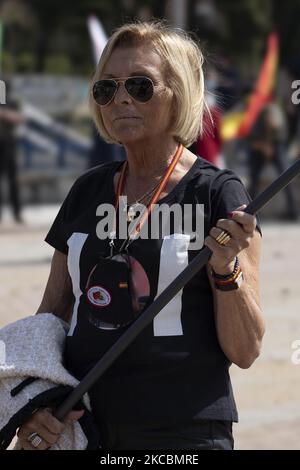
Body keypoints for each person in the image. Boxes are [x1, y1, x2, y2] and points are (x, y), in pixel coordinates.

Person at [17, 22, 265, 450]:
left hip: (182, 434)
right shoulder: (87, 190)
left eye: (140, 85)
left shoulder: (218, 193)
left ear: (179, 92)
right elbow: (52, 317)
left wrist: (226, 270)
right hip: (86, 427)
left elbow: (245, 350)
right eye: (106, 89)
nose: (122, 98)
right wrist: (35, 402)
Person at [247, 101, 299, 220]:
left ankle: (293, 211)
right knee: (254, 178)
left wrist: (271, 149)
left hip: (275, 147)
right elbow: (252, 143)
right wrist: (263, 147)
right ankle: (249, 210)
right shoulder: (257, 126)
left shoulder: (280, 128)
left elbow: (280, 142)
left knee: (286, 176)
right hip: (259, 147)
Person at [0, 79, 24, 223]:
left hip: (8, 143)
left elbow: (19, 118)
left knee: (12, 180)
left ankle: (17, 213)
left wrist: (3, 114)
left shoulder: (12, 102)